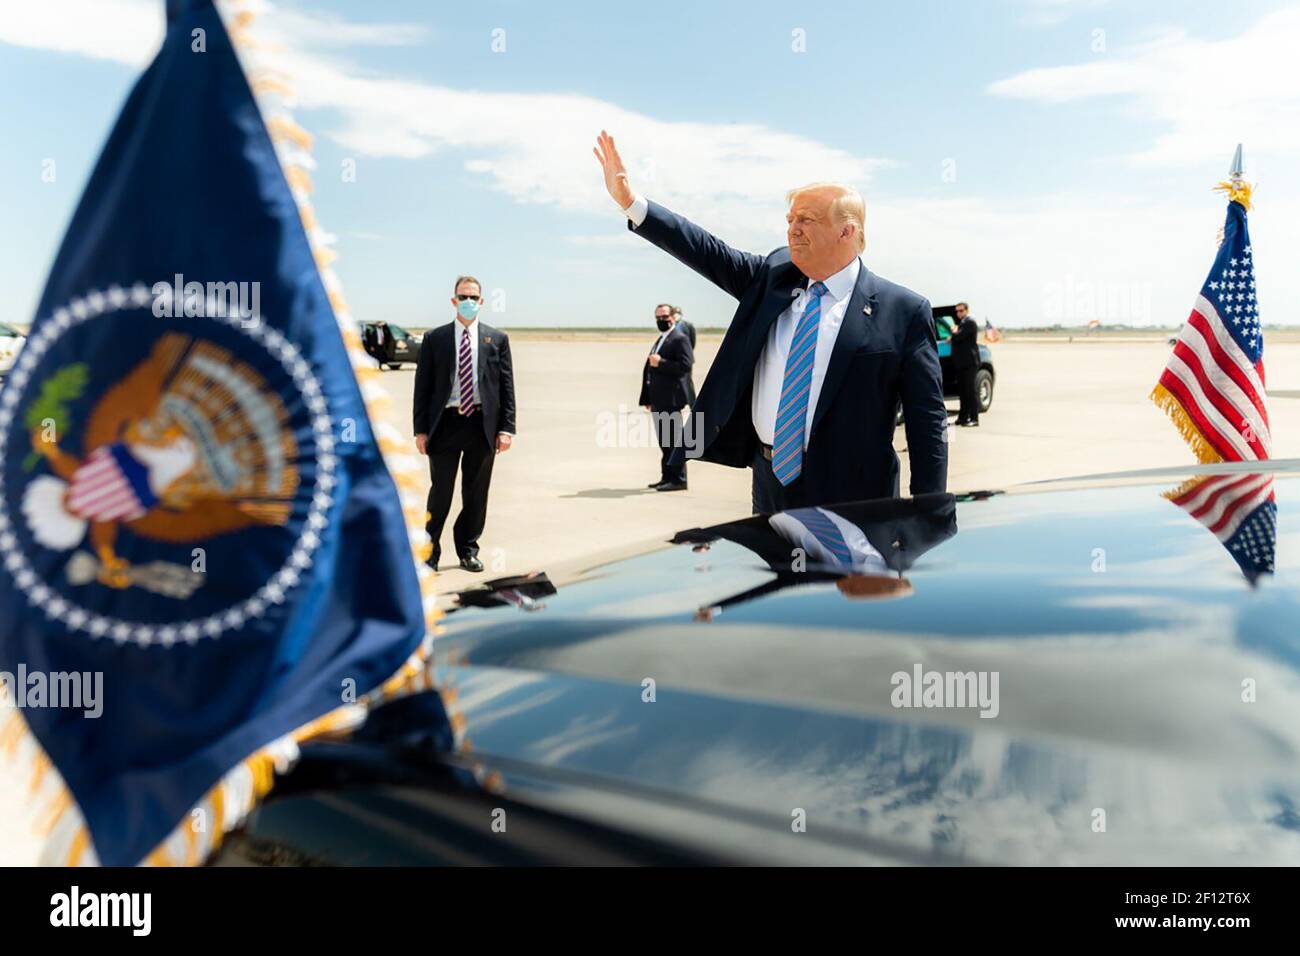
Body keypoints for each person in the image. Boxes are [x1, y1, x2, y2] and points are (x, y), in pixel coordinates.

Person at [592, 131, 947, 514]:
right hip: (770, 479)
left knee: (845, 577)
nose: (792, 228)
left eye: (807, 220)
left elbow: (927, 425)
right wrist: (632, 203)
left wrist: (928, 518)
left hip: (857, 492)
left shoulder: (903, 311)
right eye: (790, 219)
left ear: (847, 231)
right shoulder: (772, 278)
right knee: (780, 575)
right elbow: (706, 250)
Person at [412, 275, 516, 572]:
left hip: (481, 426)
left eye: (473, 297)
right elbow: (423, 387)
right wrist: (420, 430)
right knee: (440, 492)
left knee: (476, 493)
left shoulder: (497, 339)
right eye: (463, 296)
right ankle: (429, 553)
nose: (468, 302)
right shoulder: (436, 338)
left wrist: (507, 428)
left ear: (481, 301)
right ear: (453, 301)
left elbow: (506, 387)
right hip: (444, 424)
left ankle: (468, 549)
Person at [641, 305, 694, 491]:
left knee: (673, 442)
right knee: (665, 443)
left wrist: (661, 363)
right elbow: (649, 371)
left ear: (672, 317)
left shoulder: (679, 338)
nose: (660, 320)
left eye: (663, 316)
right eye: (657, 317)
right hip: (659, 400)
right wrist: (647, 398)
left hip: (671, 400)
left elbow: (685, 366)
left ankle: (679, 479)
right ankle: (667, 477)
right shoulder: (662, 339)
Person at [951, 301, 981, 427]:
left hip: (969, 363)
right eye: (957, 311)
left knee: (970, 390)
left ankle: (974, 418)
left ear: (967, 310)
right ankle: (963, 417)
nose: (958, 313)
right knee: (962, 391)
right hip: (962, 363)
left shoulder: (970, 322)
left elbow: (959, 337)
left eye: (961, 310)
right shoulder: (962, 323)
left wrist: (954, 331)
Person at [671, 306, 698, 405]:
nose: (676, 315)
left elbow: (692, 341)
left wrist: (687, 354)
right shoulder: (671, 326)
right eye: (674, 313)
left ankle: (693, 404)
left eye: (677, 313)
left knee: (688, 381)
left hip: (686, 359)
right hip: (674, 361)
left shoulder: (688, 325)